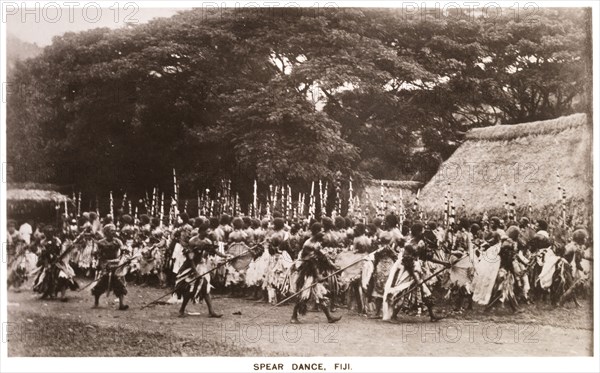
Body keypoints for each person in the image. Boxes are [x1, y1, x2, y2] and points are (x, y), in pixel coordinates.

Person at [290, 223, 341, 324]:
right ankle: (294, 316)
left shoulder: (317, 243)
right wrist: (317, 275)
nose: (323, 233)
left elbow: (323, 256)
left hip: (314, 271)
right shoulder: (308, 244)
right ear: (315, 232)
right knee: (304, 295)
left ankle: (329, 317)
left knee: (319, 294)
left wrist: (333, 266)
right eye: (321, 231)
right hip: (308, 272)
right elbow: (311, 261)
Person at [175, 223, 227, 318]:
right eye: (206, 231)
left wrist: (225, 256)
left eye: (208, 231)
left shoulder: (208, 241)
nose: (208, 233)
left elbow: (214, 251)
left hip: (201, 265)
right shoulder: (192, 241)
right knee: (190, 290)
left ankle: (211, 311)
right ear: (201, 231)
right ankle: (182, 310)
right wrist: (195, 272)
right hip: (190, 266)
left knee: (205, 288)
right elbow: (190, 258)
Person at [91, 224, 129, 310]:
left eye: (114, 230)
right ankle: (96, 302)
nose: (114, 232)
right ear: (107, 232)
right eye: (112, 230)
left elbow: (124, 251)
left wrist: (125, 256)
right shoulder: (101, 242)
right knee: (101, 284)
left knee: (119, 283)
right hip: (105, 264)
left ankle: (121, 304)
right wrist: (98, 264)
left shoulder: (118, 241)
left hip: (116, 264)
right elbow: (97, 255)